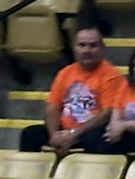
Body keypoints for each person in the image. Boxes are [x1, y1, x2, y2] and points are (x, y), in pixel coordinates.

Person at [21, 27, 124, 155]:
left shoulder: (111, 75)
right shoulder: (65, 73)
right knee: (30, 134)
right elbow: (52, 106)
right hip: (65, 128)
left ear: (102, 48)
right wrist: (54, 136)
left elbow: (106, 113)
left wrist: (74, 133)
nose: (87, 50)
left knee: (96, 138)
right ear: (74, 48)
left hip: (90, 130)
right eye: (82, 45)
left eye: (93, 45)